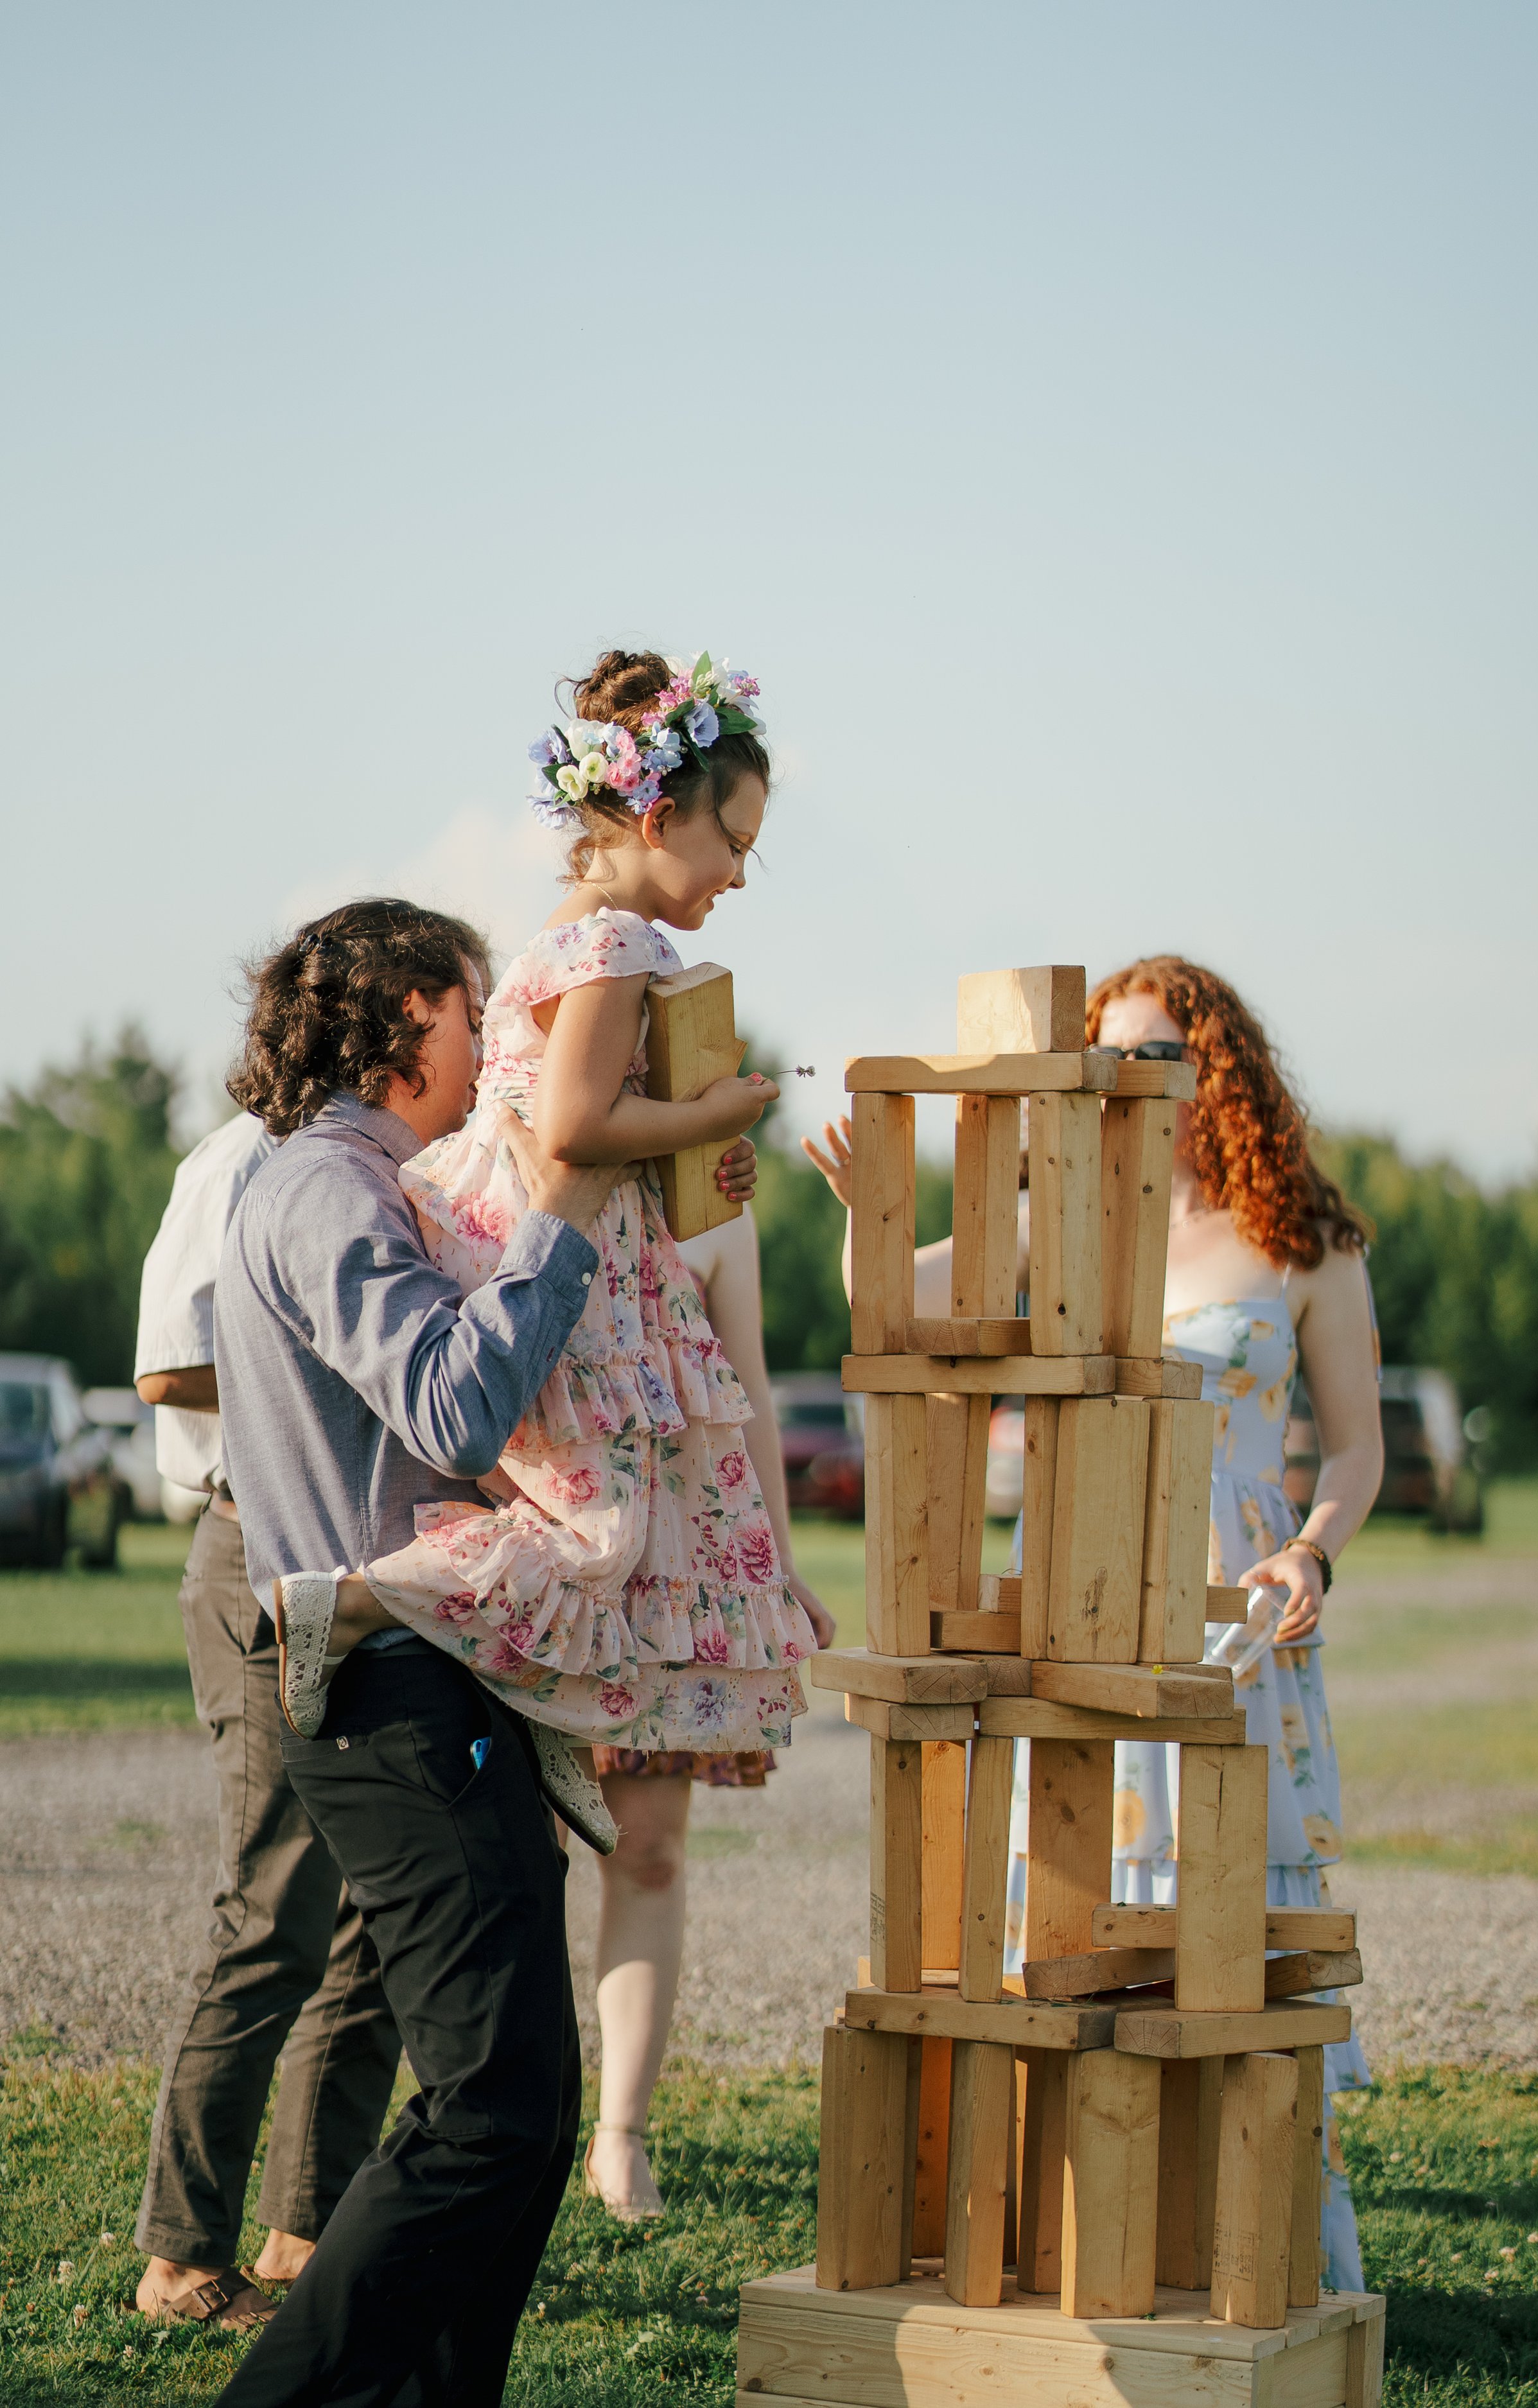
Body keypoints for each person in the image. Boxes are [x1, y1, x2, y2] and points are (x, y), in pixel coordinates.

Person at [804, 956, 1383, 2294]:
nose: (1128, 1078)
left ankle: (1277, 2260)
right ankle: (1095, 2255)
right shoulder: (1053, 1214)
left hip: (1231, 1604)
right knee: (1078, 1920)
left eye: (1153, 1052)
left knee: (1235, 1932)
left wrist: (1309, 1552)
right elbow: (895, 1295)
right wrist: (865, 1209)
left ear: (1212, 1065)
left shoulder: (1298, 1240)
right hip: (1079, 1589)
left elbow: (1349, 1452)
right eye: (1107, 1054)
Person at [272, 650, 817, 1809]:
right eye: (735, 841)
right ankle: (353, 1602)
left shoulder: (566, 936)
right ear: (661, 815)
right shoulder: (621, 944)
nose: (739, 873)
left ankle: (548, 1708)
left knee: (590, 1522)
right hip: (556, 1264)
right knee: (606, 1530)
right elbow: (574, 1126)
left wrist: (685, 1147)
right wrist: (715, 1109)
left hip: (523, 1238)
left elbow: (589, 1125)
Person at [209, 894, 623, 2405]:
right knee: (494, 2110)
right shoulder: (326, 1186)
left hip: (422, 1684)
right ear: (400, 1018)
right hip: (387, 1690)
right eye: (471, 1009)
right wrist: (564, 1217)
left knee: (515, 2099)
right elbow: (449, 1407)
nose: (494, 1039)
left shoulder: (375, 1180)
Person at [131, 1111, 401, 2335]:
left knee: (370, 1923)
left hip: (360, 1569)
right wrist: (343, 1354)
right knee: (272, 1914)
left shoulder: (378, 1157)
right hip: (258, 1556)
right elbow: (167, 1365)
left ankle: (306, 2235)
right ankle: (181, 2259)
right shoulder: (241, 1160)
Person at [582, 1202, 837, 2220]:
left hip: (668, 1573)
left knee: (647, 1852)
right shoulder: (496, 1148)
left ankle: (620, 2134)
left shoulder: (722, 1207)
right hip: (533, 1551)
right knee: (502, 1861)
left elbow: (750, 1392)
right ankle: (486, 2121)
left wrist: (778, 1563)